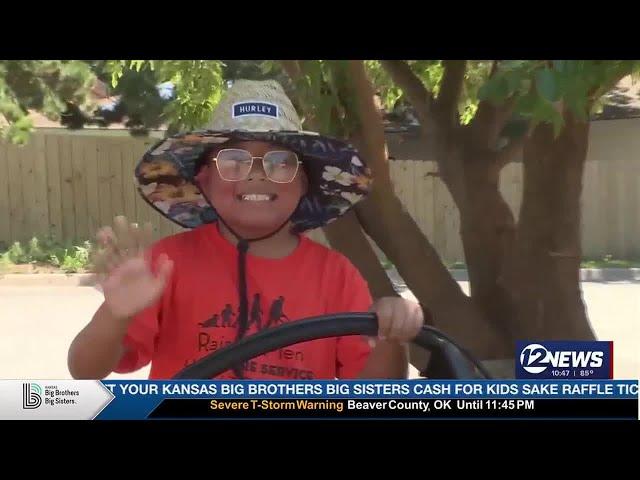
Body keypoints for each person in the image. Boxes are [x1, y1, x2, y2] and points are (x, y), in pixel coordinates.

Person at [67, 79, 425, 380]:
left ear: (305, 184)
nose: (256, 173)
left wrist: (393, 335)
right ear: (203, 181)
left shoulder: (336, 276)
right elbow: (84, 372)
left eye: (280, 162)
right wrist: (116, 314)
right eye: (233, 161)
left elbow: (376, 395)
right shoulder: (164, 263)